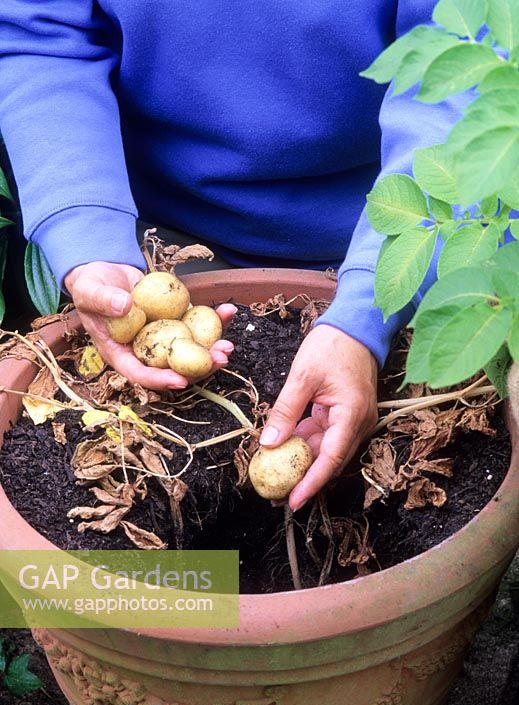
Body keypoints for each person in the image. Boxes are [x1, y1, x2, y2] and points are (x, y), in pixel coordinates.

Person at [0, 1, 463, 511]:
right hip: (149, 232)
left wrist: (366, 312)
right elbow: (41, 35)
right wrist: (85, 237)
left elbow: (463, 86)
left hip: (393, 232)